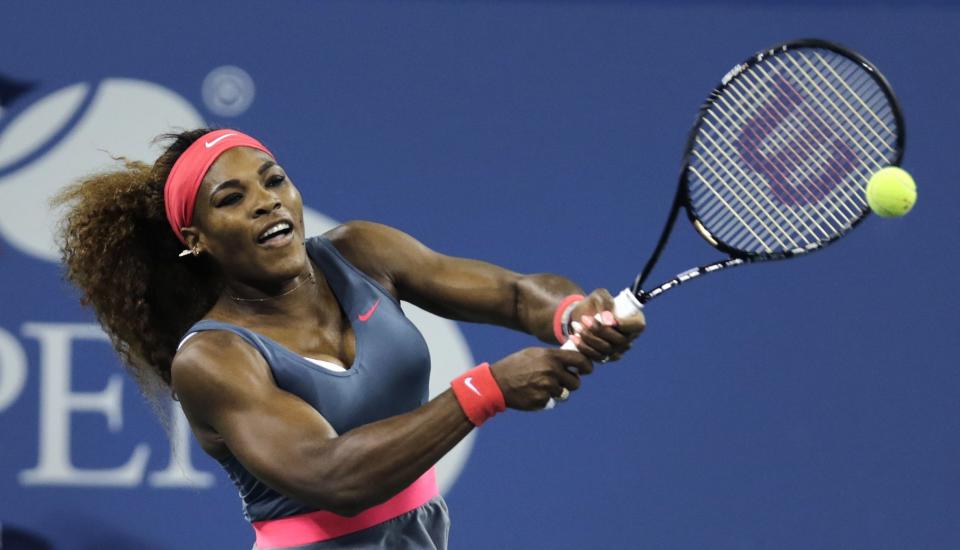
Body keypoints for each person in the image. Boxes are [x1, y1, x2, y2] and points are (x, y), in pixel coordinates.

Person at [53, 128, 646, 549]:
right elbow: (334, 477)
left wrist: (571, 315)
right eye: (232, 200)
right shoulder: (214, 357)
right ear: (197, 238)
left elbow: (516, 293)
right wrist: (486, 389)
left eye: (273, 180)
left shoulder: (363, 253)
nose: (266, 203)